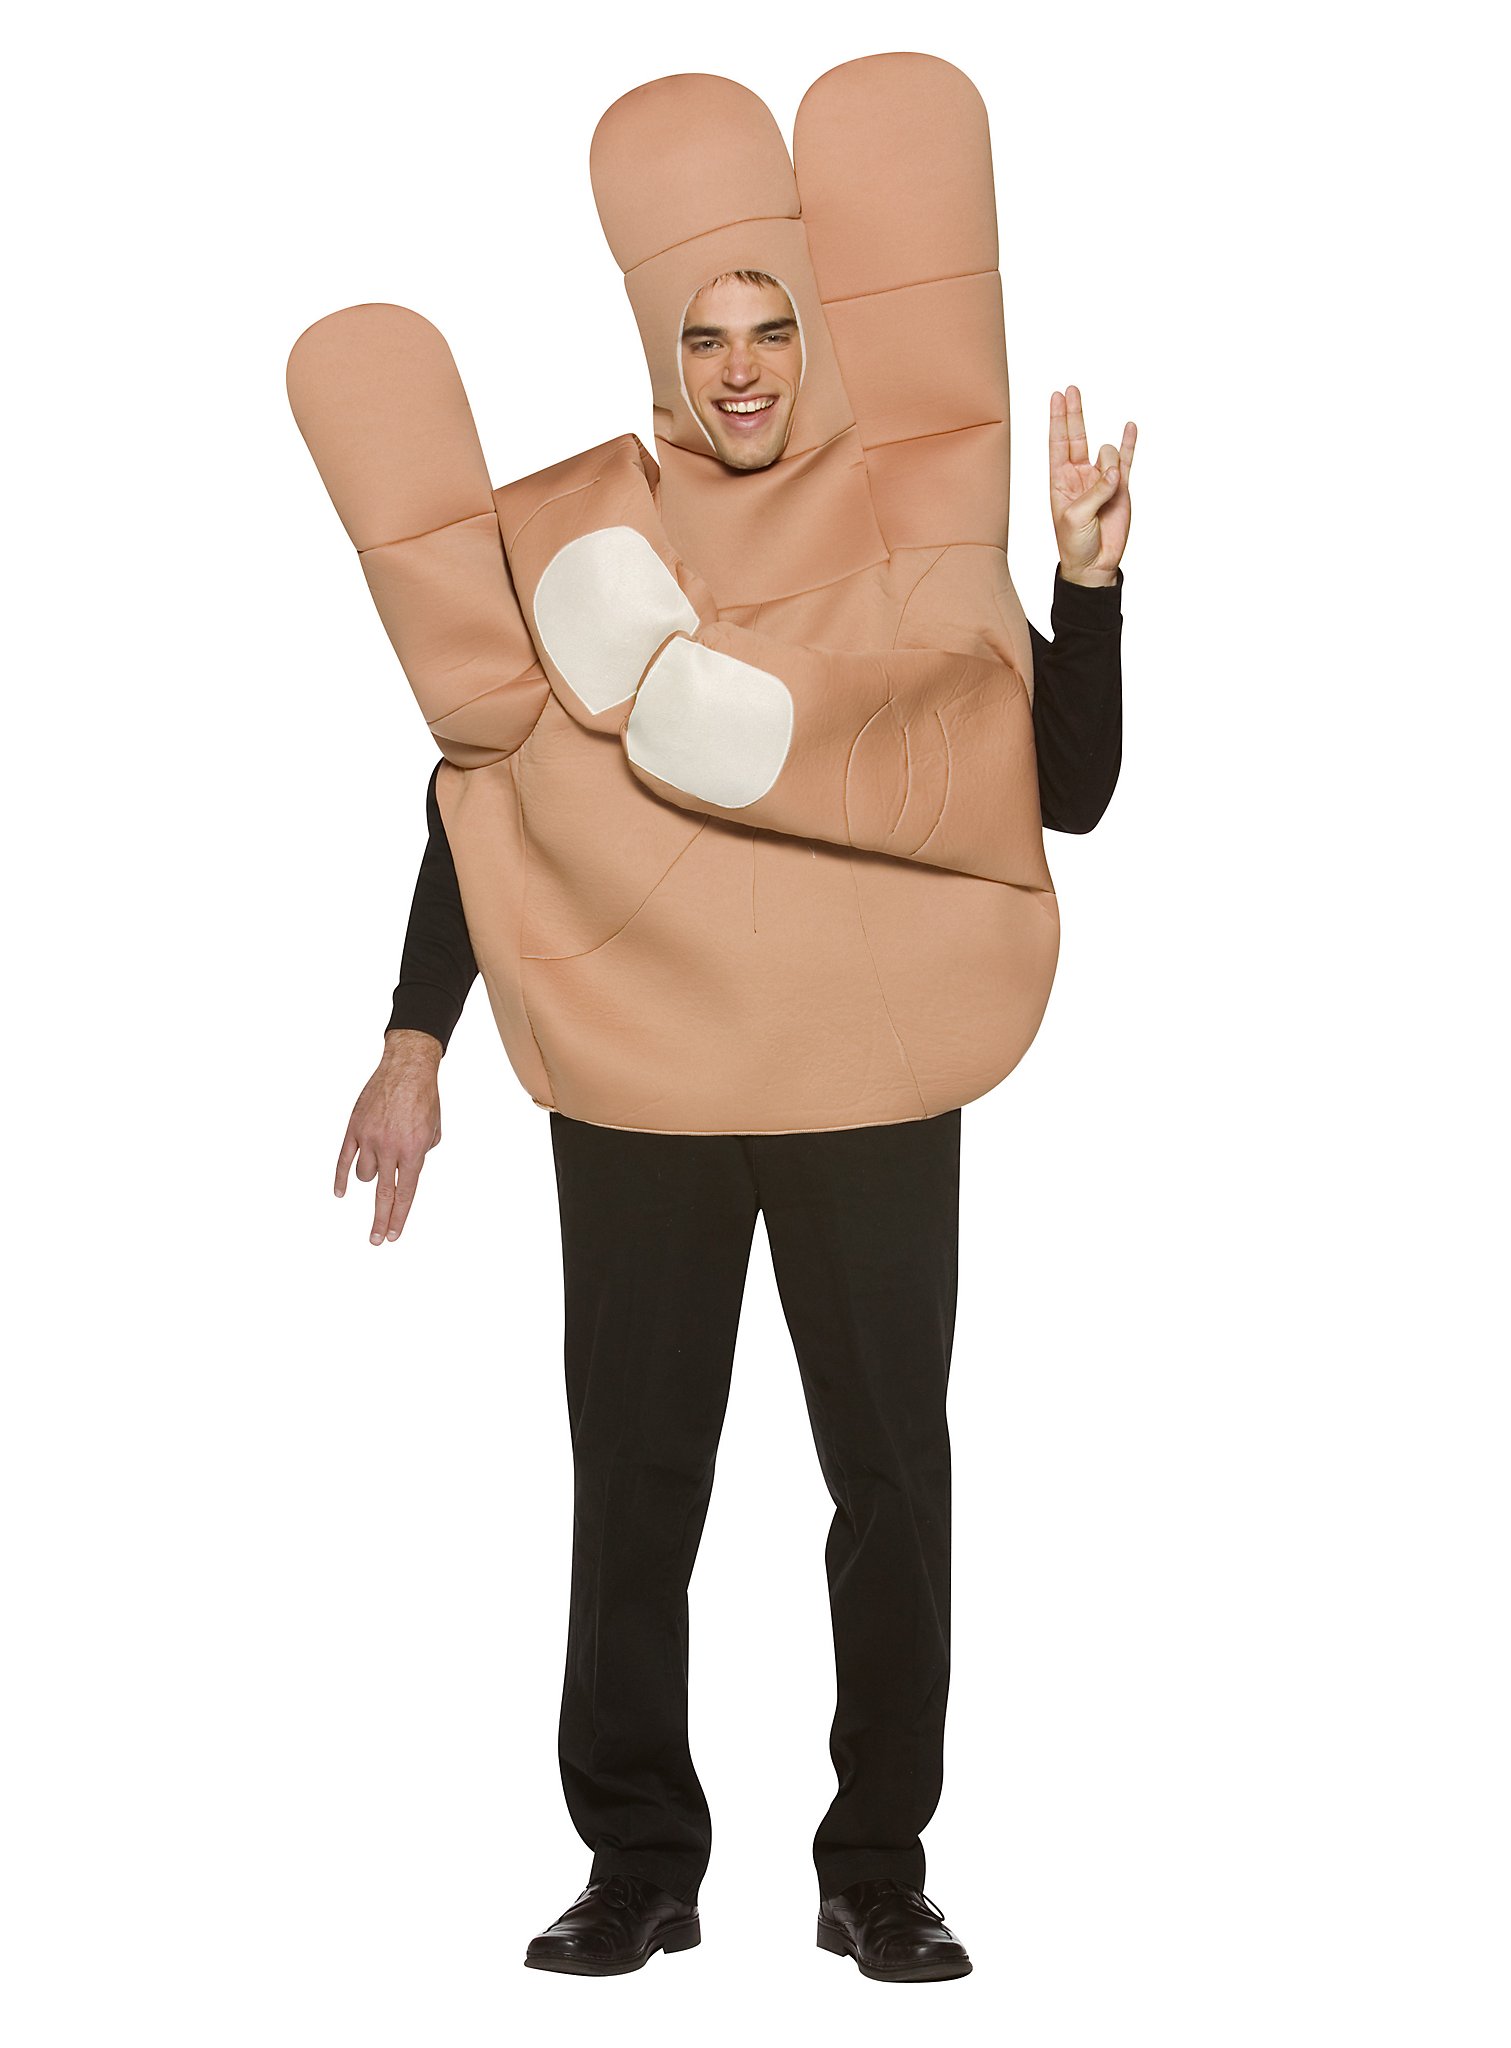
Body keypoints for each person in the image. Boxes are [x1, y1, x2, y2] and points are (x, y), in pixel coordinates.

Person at [298, 60, 1134, 1984]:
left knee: (890, 1482)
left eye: (772, 327)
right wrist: (416, 1040)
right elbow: (489, 792)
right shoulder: (583, 529)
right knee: (636, 1482)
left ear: (814, 331)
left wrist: (1087, 584)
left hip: (870, 1069)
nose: (743, 369)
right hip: (649, 1072)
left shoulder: (913, 523)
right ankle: (639, 1864)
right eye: (706, 334)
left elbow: (1065, 792)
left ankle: (879, 1865)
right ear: (660, 348)